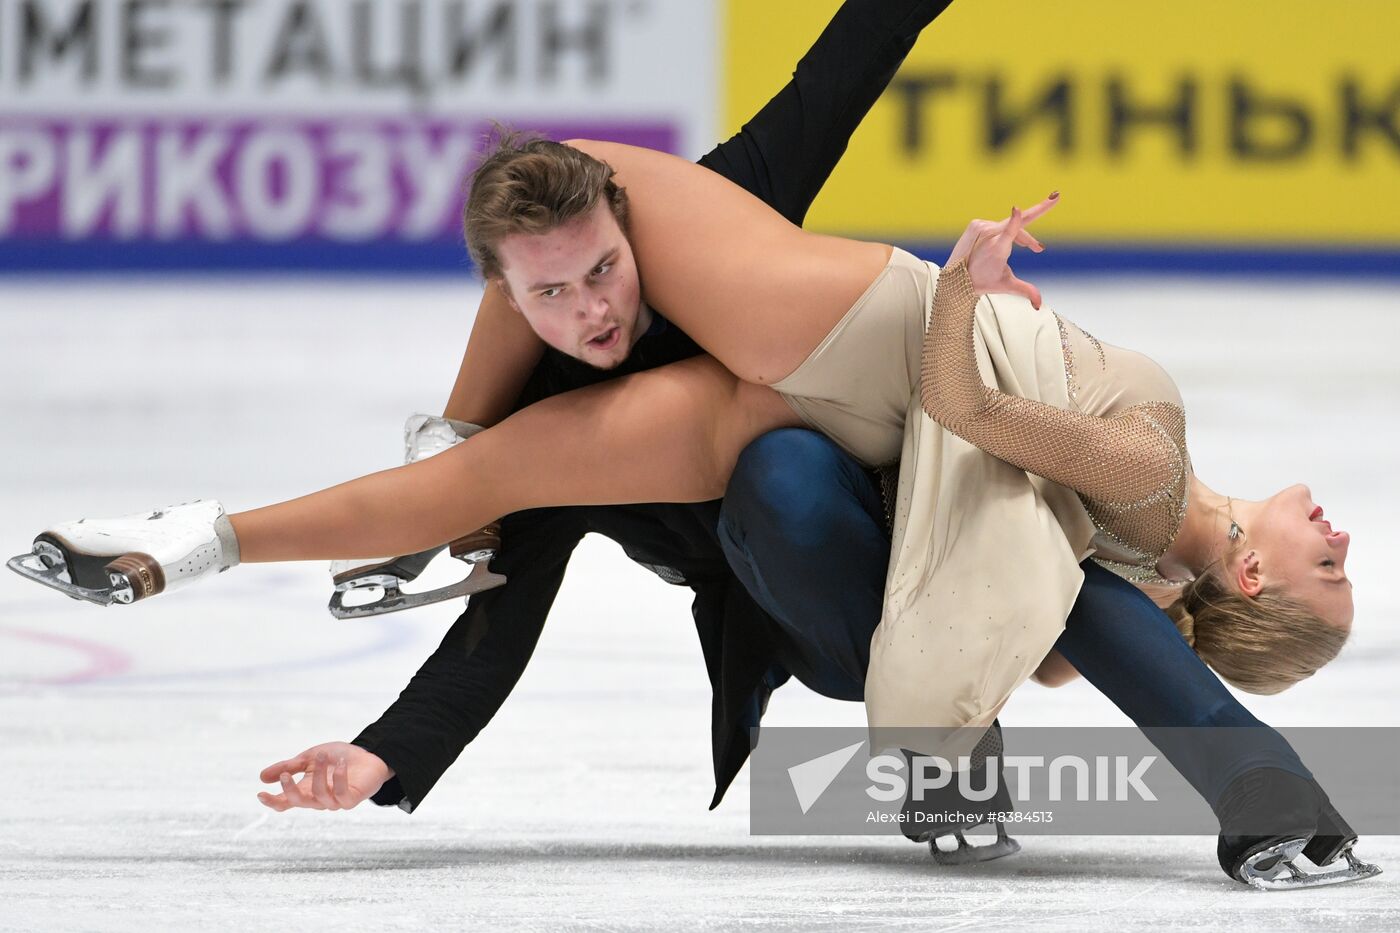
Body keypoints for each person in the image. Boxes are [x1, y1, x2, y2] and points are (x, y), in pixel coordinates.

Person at [6, 0, 1372, 888]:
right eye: (552, 290)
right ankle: (203, 535)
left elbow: (1024, 530)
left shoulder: (1134, 533)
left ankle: (1244, 792)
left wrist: (961, 295)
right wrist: (395, 734)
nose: (592, 309)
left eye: (1328, 567)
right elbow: (848, 62)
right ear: (512, 288)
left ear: (1245, 581)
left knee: (528, 452)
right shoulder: (649, 262)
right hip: (817, 509)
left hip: (912, 464)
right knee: (582, 467)